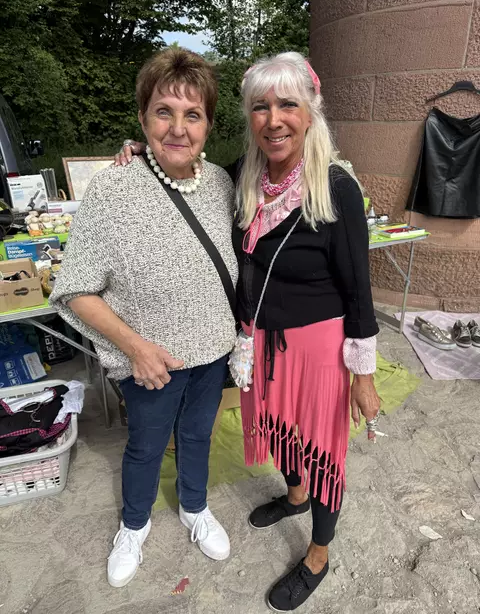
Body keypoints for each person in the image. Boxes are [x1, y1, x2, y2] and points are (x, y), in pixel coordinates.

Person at [116, 51, 381, 612]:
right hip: (258, 342)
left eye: (288, 104)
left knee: (322, 451)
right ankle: (295, 495)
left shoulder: (335, 186)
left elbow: (359, 289)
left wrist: (363, 375)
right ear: (249, 117)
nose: (274, 119)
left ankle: (318, 554)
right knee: (279, 430)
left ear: (310, 112)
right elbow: (185, 166)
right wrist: (144, 153)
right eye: (261, 107)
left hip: (318, 347)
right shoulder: (243, 176)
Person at [50, 47, 238, 589]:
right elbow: (76, 289)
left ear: (207, 124)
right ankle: (133, 525)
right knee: (146, 446)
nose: (178, 128)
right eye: (163, 112)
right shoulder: (113, 189)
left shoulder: (221, 183)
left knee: (197, 436)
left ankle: (194, 508)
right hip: (151, 362)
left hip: (213, 350)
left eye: (192, 114)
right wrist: (136, 348)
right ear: (142, 117)